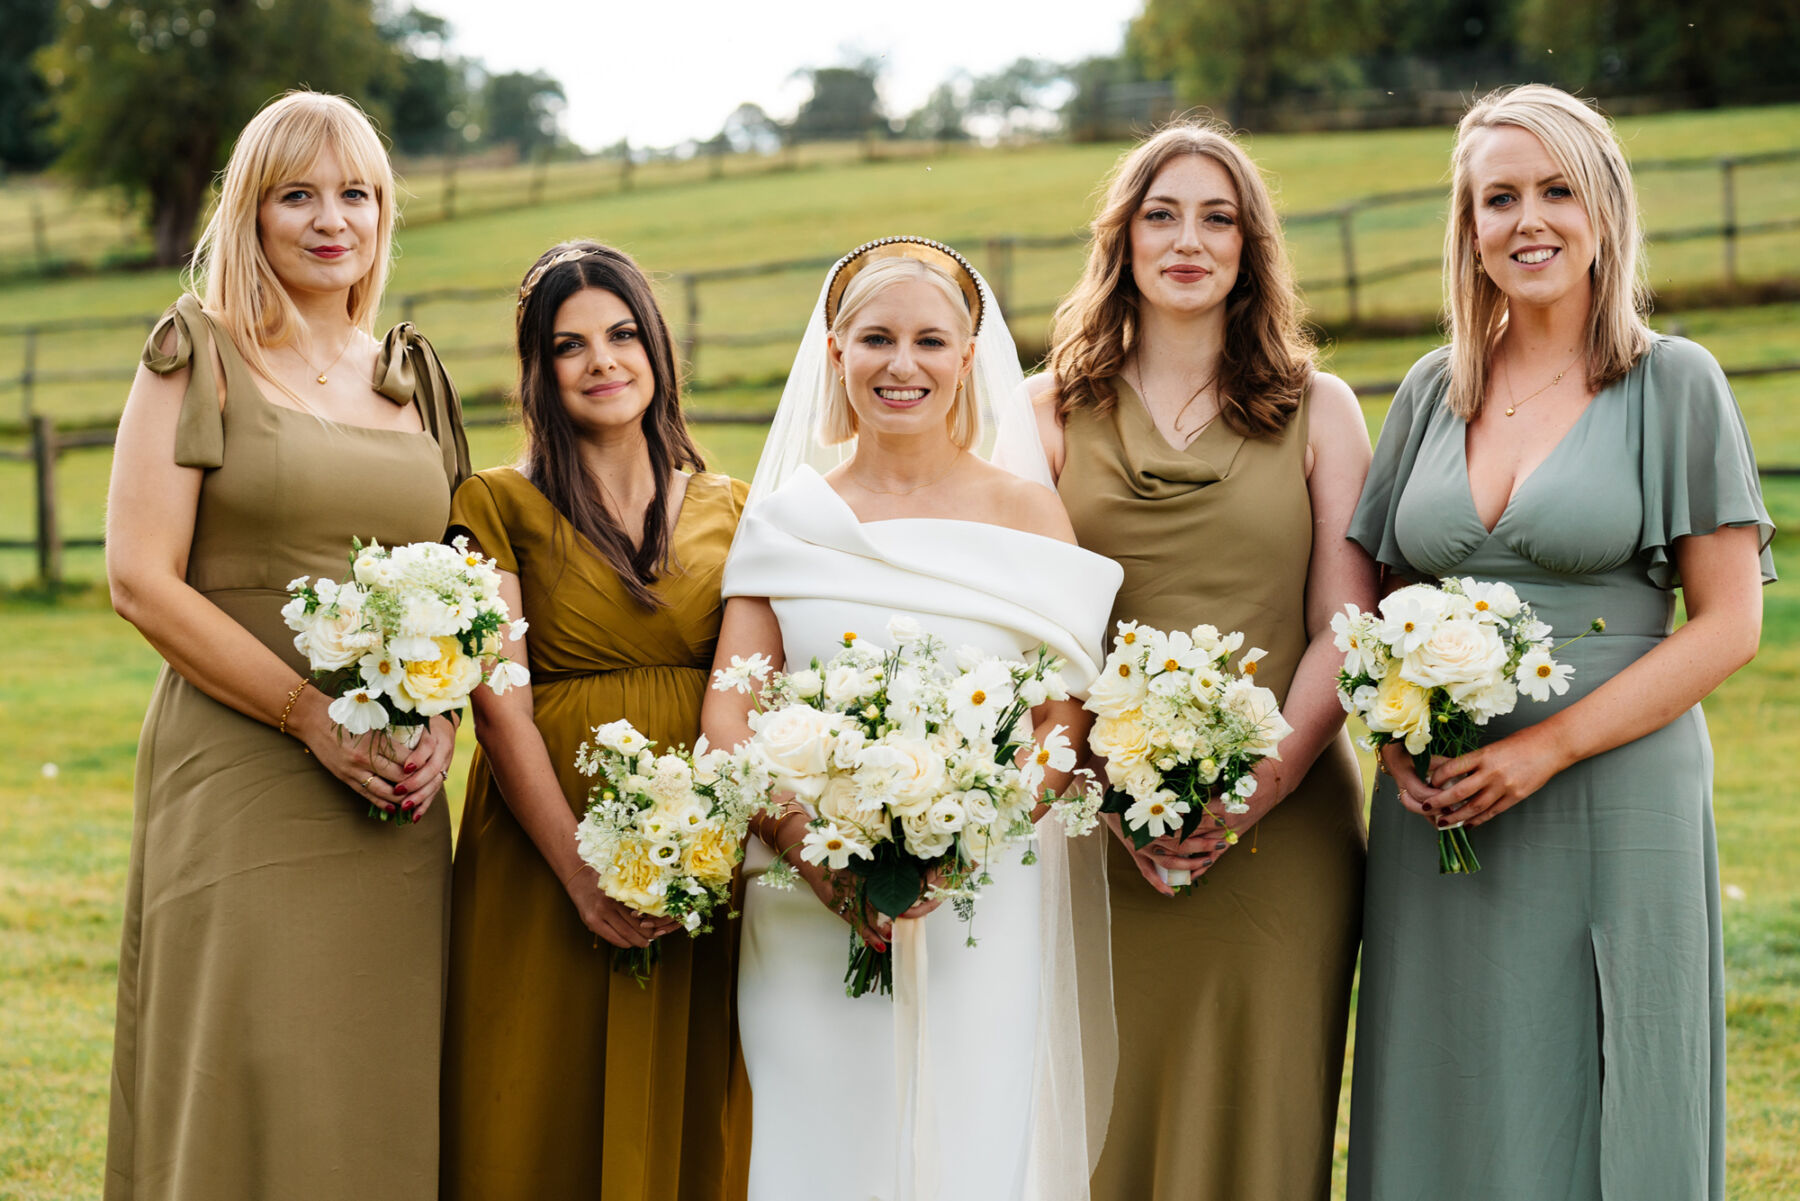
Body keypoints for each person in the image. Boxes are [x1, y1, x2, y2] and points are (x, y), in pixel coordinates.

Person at [1346, 85, 1773, 1200]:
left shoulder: (1674, 380)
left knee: (1608, 1070)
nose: (1527, 219)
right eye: (1499, 198)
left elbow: (1729, 623)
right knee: (1448, 1068)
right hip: (1441, 812)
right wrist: (1394, 738)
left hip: (1615, 798)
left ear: (1602, 208)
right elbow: (1383, 596)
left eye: (1554, 190)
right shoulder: (1433, 391)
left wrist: (1548, 748)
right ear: (1468, 226)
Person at [701, 237, 1123, 1201]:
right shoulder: (786, 522)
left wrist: (970, 837)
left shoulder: (1027, 513)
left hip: (982, 898)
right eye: (876, 339)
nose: (903, 365)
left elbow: (1063, 714)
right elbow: (729, 715)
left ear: (968, 357)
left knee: (971, 1144)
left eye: (931, 340)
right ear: (836, 351)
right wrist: (814, 849)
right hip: (809, 909)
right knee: (824, 1150)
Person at [103, 91, 469, 1200]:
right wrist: (310, 716)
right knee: (250, 1049)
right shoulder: (194, 354)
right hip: (242, 766)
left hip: (392, 795)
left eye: (354, 193)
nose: (330, 220)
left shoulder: (413, 374)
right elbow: (139, 579)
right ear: (251, 214)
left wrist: (440, 720)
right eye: (297, 195)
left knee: (377, 1067)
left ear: (382, 211)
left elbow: (462, 573)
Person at [1030, 121, 1376, 1201]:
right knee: (1097, 1116)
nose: (1189, 239)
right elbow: (1038, 643)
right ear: (1122, 238)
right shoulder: (1044, 413)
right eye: (1161, 214)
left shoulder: (1321, 410)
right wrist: (1111, 795)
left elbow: (1344, 626)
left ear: (1252, 246)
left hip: (1287, 833)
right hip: (1093, 835)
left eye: (1217, 217)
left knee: (1260, 1112)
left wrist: (1253, 789)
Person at [439, 242, 751, 1200]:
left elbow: (749, 685)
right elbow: (498, 706)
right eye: (570, 345)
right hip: (542, 848)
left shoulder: (736, 507)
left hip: (697, 853)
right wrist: (581, 873)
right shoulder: (493, 504)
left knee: (689, 1105)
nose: (602, 361)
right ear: (540, 369)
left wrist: (699, 843)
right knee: (529, 1097)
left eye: (621, 335)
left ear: (656, 348)